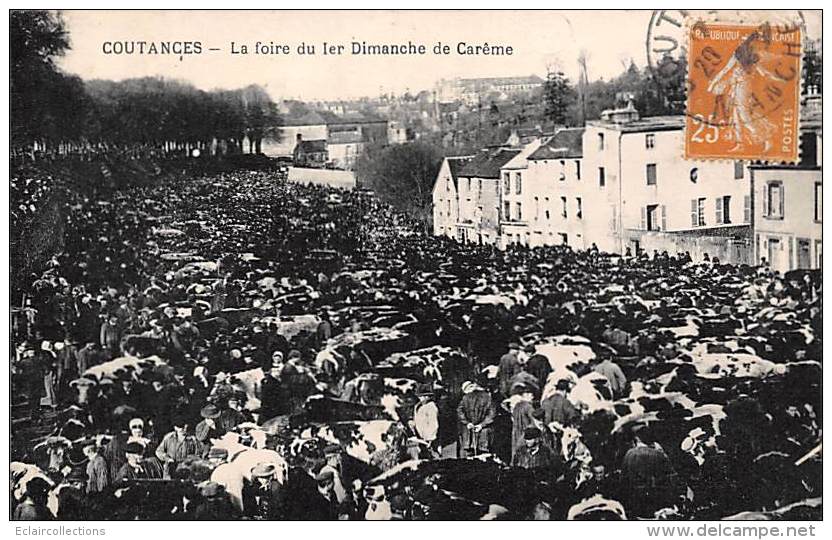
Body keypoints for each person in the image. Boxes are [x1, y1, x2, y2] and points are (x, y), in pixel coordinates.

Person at [456, 381, 495, 457]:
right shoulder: (488, 398)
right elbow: (492, 414)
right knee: (485, 458)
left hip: (469, 433)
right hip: (484, 433)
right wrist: (481, 425)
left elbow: (459, 411)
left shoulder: (465, 398)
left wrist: (467, 423)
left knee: (469, 459)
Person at [412, 387, 439, 453]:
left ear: (427, 397)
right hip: (419, 435)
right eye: (419, 396)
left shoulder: (431, 407)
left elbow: (433, 424)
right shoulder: (418, 406)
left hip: (428, 438)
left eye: (422, 396)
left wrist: (430, 439)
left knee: (430, 455)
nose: (420, 398)